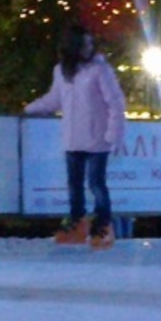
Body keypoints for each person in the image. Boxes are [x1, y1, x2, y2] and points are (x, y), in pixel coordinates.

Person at [25, 23, 126, 250]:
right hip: (73, 138)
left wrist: (114, 134)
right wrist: (31, 108)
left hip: (97, 139)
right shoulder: (61, 71)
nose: (88, 48)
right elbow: (54, 99)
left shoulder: (100, 69)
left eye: (91, 43)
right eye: (83, 44)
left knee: (96, 184)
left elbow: (115, 102)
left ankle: (103, 224)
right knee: (74, 184)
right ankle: (77, 223)